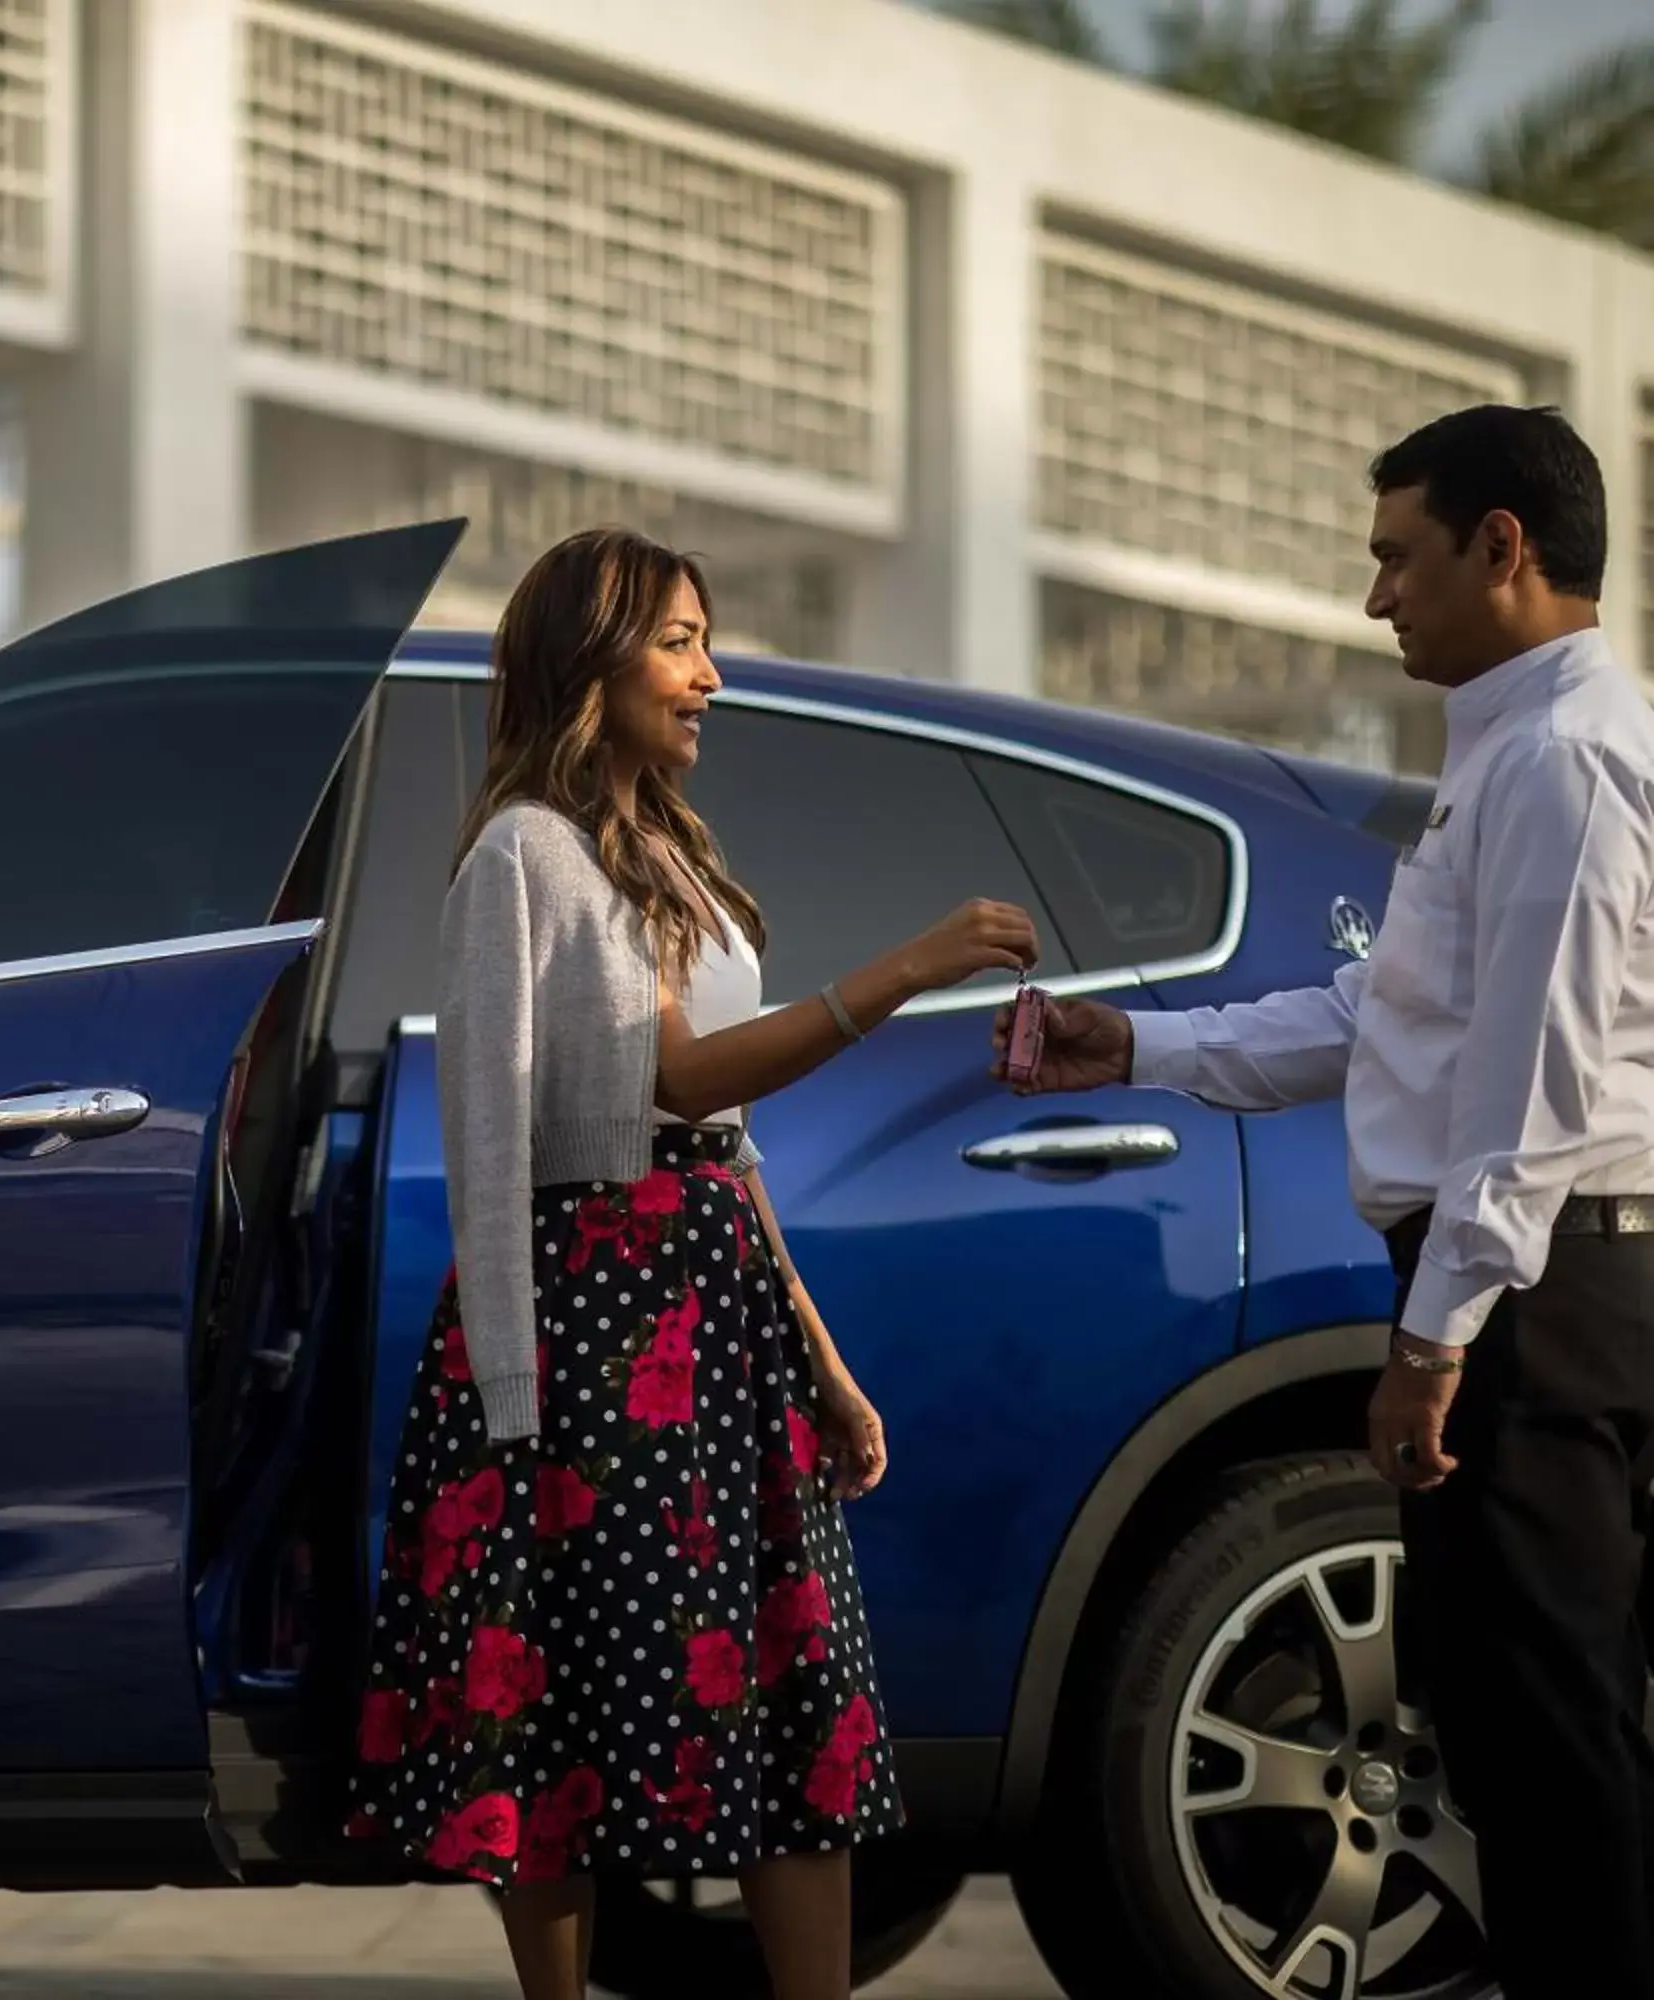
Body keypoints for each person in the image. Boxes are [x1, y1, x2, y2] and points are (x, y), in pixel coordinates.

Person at [1000, 403, 1654, 2000]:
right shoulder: (1518, 747)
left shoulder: (1569, 759)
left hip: (1539, 1294)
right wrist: (1138, 1042)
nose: (1377, 601)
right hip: (1532, 1282)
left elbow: (1534, 1091)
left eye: (1396, 558)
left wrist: (1433, 1342)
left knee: (1553, 1740)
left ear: (1503, 549)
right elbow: (1400, 1028)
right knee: (1517, 1722)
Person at [346, 526, 1043, 2000]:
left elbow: (719, 1137)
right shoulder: (522, 856)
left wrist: (824, 1357)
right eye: (679, 641)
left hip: (711, 1305)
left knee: (795, 1683)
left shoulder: (672, 850)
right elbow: (658, 1083)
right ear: (587, 658)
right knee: (559, 1703)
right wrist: (896, 976)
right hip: (587, 1323)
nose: (710, 674)